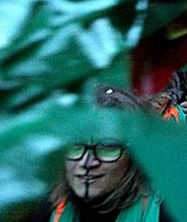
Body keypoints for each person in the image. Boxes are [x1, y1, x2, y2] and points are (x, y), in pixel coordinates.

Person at [26, 86, 171, 221]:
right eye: (76, 145)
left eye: (107, 147)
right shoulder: (41, 208)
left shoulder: (168, 211)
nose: (87, 163)